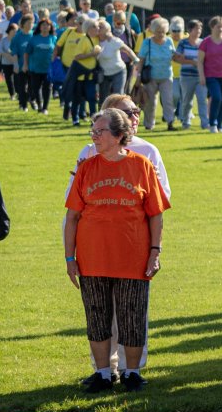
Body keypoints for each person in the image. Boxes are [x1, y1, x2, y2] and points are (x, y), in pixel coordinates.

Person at [65, 108, 168, 392]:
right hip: (92, 257)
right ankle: (103, 373)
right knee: (96, 316)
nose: (94, 137)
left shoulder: (142, 165)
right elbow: (72, 216)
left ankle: (132, 372)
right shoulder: (86, 167)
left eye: (100, 132)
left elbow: (156, 214)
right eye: (93, 131)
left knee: (132, 316)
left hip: (133, 257)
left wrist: (155, 252)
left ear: (120, 135)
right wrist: (69, 257)